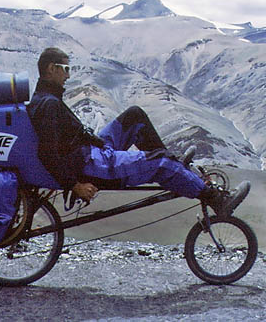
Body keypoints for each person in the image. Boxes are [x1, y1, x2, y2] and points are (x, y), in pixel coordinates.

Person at [26, 47, 249, 215]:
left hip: (89, 153)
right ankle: (215, 199)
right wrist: (76, 186)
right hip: (91, 165)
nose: (68, 75)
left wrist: (97, 141)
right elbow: (48, 154)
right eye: (65, 69)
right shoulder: (49, 105)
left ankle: (176, 168)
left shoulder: (45, 99)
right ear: (51, 69)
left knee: (134, 116)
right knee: (160, 162)